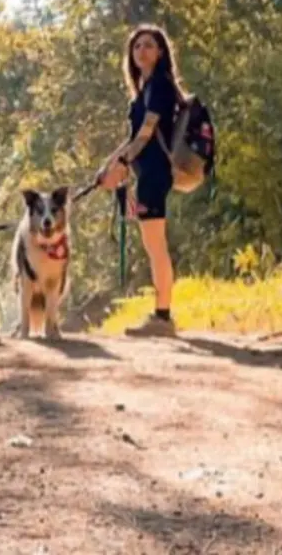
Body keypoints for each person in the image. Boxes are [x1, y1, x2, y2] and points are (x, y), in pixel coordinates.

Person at [97, 23, 185, 337]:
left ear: (161, 51)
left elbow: (147, 133)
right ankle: (161, 315)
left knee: (155, 245)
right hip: (145, 174)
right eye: (136, 46)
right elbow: (133, 137)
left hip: (155, 173)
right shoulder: (144, 90)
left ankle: (162, 317)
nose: (141, 51)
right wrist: (109, 166)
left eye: (148, 45)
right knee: (152, 244)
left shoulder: (159, 85)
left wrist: (123, 161)